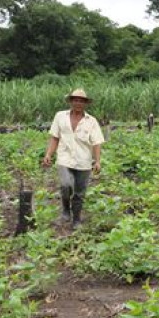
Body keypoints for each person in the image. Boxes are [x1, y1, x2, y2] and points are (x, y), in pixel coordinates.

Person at [41, 88, 104, 229]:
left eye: (81, 101)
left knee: (79, 193)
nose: (78, 103)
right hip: (64, 158)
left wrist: (98, 161)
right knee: (65, 185)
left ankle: (76, 219)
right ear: (71, 101)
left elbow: (97, 142)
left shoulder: (91, 121)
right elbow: (55, 137)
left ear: (85, 103)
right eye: (75, 100)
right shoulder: (60, 116)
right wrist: (48, 155)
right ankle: (65, 209)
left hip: (83, 162)